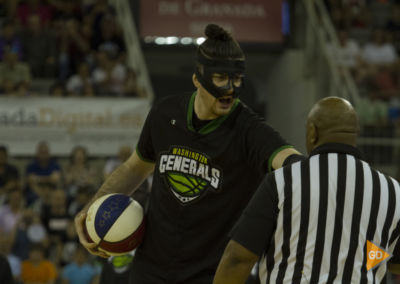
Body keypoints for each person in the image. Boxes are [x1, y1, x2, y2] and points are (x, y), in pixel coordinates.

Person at [75, 23, 302, 283]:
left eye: (237, 79)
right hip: (150, 270)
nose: (230, 88)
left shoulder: (249, 130)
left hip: (209, 274)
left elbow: (290, 161)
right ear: (197, 78)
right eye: (220, 78)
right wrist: (92, 207)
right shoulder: (165, 113)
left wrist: (309, 168)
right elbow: (134, 168)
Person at [213, 97, 400, 284]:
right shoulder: (392, 191)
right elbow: (395, 263)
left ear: (312, 132)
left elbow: (238, 258)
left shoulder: (283, 181)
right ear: (355, 134)